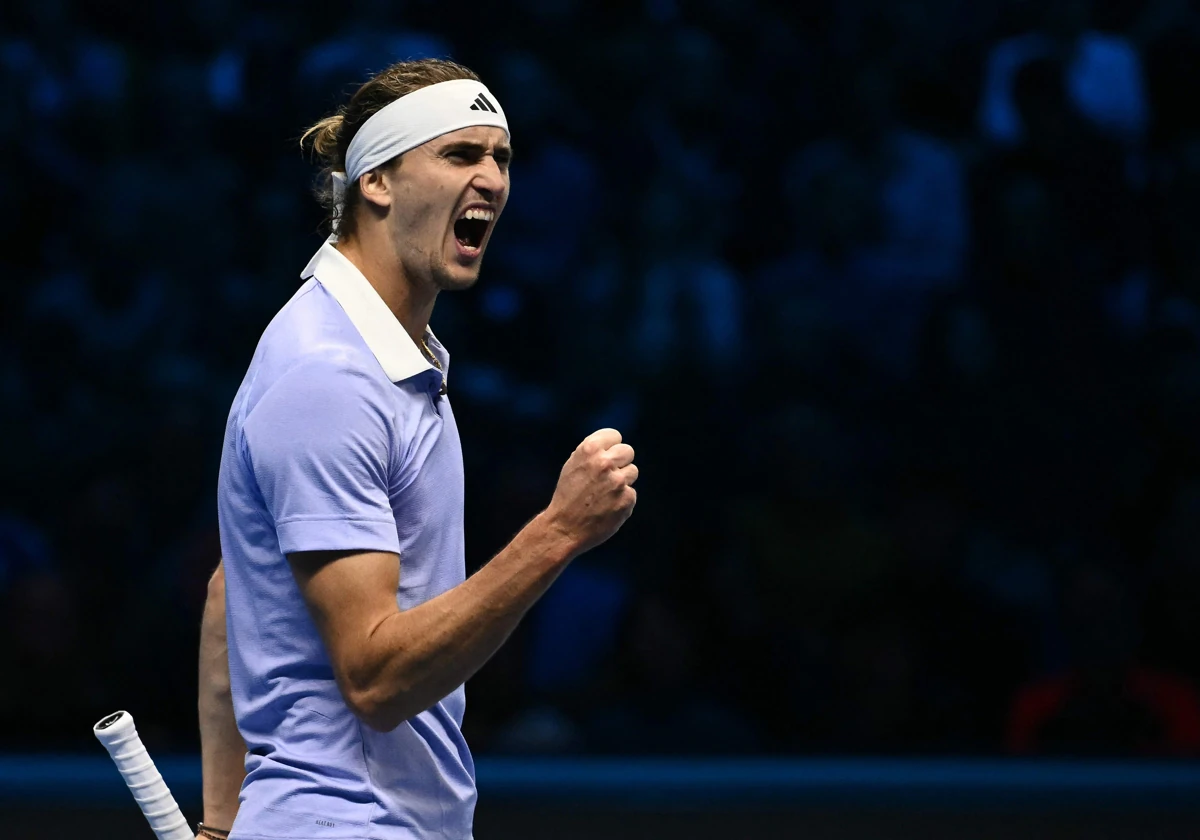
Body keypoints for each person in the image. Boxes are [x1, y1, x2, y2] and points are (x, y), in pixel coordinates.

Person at [196, 58, 639, 840]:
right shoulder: (329, 376)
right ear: (377, 181)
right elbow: (375, 678)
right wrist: (558, 533)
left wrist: (223, 826)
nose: (493, 180)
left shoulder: (383, 357)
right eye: (461, 154)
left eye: (501, 158)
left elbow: (235, 590)